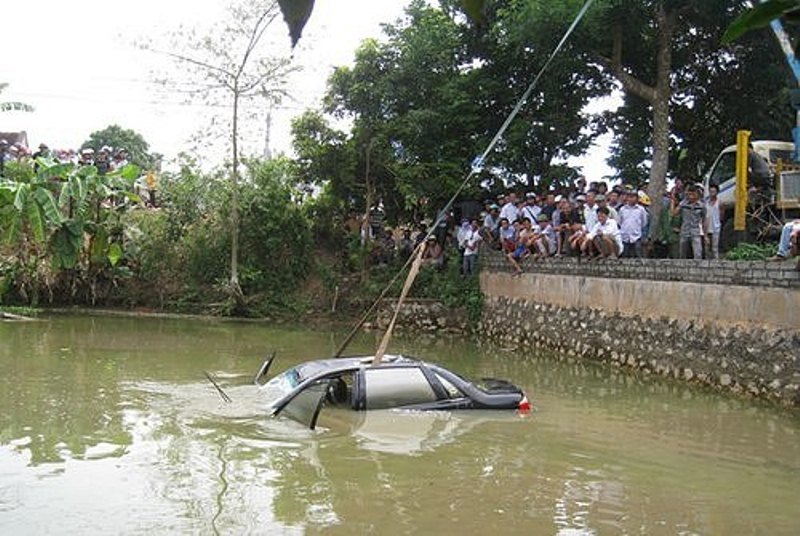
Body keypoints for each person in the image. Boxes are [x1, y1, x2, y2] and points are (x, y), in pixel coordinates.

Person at [672, 184, 706, 260]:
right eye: (689, 194)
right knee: (682, 252)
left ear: (697, 194)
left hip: (695, 230)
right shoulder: (683, 203)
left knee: (698, 252)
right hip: (685, 230)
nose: (691, 196)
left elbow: (704, 220)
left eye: (693, 194)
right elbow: (674, 213)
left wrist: (705, 234)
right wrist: (674, 200)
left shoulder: (701, 205)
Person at [618, 190, 648, 258]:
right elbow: (620, 222)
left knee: (638, 254)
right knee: (625, 254)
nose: (631, 199)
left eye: (633, 197)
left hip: (636, 235)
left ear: (637, 198)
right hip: (625, 235)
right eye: (629, 197)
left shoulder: (641, 209)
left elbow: (644, 222)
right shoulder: (622, 209)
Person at [704, 184, 723, 260]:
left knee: (715, 248)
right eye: (711, 191)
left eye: (714, 191)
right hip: (706, 226)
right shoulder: (706, 203)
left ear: (717, 192)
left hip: (716, 227)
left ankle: (716, 262)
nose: (712, 193)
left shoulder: (720, 203)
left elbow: (722, 215)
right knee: (706, 247)